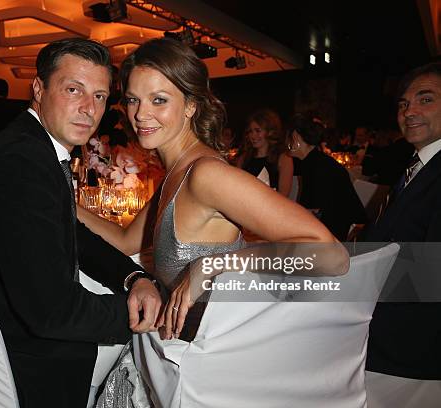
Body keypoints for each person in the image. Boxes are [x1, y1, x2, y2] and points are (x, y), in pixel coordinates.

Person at [77, 38, 347, 407]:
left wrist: (218, 263)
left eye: (159, 100)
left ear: (190, 105)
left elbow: (333, 256)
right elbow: (125, 241)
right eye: (133, 99)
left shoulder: (206, 174)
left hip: (207, 368)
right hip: (180, 350)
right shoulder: (176, 171)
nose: (140, 114)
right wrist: (62, 200)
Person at [0, 38, 162, 408]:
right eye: (73, 90)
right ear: (38, 88)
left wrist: (133, 277)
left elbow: (72, 233)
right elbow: (54, 313)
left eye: (100, 96)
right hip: (1, 363)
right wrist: (151, 315)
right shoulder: (21, 161)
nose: (89, 109)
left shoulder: (29, 146)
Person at [364, 62, 441, 398]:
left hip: (412, 355)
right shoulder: (416, 166)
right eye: (403, 103)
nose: (410, 111)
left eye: (426, 99)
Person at [287, 114, 368, 240]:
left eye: (289, 137)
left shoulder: (317, 166)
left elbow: (314, 212)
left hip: (342, 237)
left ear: (296, 137)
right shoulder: (315, 161)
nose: (287, 142)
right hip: (336, 230)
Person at [236, 109, 294, 196]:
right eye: (250, 131)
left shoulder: (283, 159)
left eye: (258, 131)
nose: (253, 135)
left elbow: (284, 195)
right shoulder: (244, 158)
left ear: (270, 132)